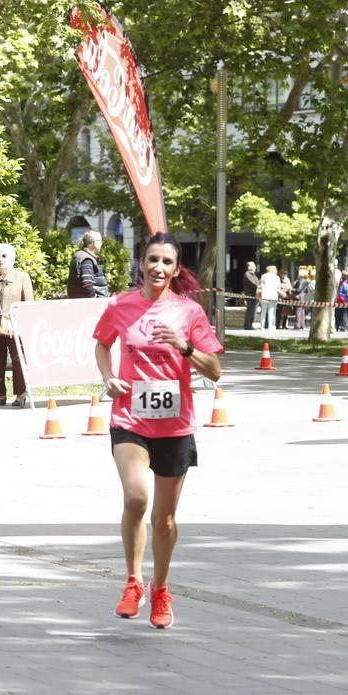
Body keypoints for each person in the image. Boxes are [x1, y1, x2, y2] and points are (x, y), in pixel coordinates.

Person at [94, 232, 223, 629]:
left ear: (176, 269)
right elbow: (101, 344)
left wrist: (184, 347)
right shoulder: (120, 305)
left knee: (165, 519)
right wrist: (108, 377)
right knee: (135, 499)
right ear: (142, 262)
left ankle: (161, 588)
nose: (158, 268)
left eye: (167, 262)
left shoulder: (189, 312)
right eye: (152, 259)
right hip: (130, 419)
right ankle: (132, 582)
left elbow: (215, 371)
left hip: (175, 425)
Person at [0, 242, 34, 407]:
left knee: (18, 359)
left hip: (15, 327)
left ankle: (20, 394)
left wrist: (21, 324)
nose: (0, 259)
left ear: (11, 259)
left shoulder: (22, 277)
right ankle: (0, 395)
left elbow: (28, 304)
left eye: (4, 256)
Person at [67, 230, 109, 298]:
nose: (101, 243)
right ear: (93, 243)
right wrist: (94, 298)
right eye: (100, 241)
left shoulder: (82, 256)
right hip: (89, 303)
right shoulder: (87, 260)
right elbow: (87, 283)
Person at [257, 264, 280, 329]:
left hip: (264, 296)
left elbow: (260, 285)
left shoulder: (263, 276)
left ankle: (262, 326)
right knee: (271, 312)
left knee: (263, 312)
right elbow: (278, 287)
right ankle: (270, 326)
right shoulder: (276, 277)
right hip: (273, 296)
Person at [242, 262, 260, 329]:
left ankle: (250, 324)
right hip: (250, 295)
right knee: (250, 311)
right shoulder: (247, 274)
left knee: (253, 311)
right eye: (253, 266)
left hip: (255, 295)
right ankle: (247, 325)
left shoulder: (254, 275)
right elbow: (253, 284)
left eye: (255, 266)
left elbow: (258, 282)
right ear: (249, 267)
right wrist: (259, 286)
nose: (254, 268)